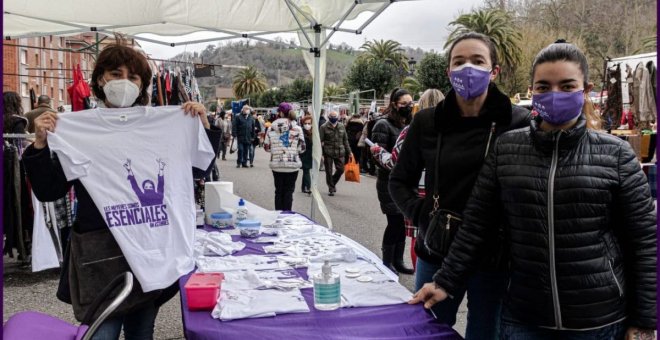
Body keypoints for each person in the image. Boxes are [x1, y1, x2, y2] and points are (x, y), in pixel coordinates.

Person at [410, 41, 657, 340]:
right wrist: (445, 282)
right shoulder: (507, 149)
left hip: (599, 320)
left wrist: (644, 319)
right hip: (524, 319)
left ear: (586, 88)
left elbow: (643, 243)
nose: (554, 94)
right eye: (543, 87)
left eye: (567, 86)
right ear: (532, 91)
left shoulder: (615, 155)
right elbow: (476, 225)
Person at [22, 42, 221, 340]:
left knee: (142, 331)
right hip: (102, 253)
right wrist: (39, 146)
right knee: (103, 333)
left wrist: (203, 128)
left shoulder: (167, 124)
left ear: (142, 85)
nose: (124, 82)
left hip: (152, 245)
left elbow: (196, 171)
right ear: (101, 80)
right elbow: (50, 191)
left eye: (133, 77)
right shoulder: (77, 128)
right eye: (116, 74)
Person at [389, 32, 531, 339]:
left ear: (495, 71)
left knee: (485, 332)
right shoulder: (427, 123)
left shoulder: (517, 122)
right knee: (429, 330)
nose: (468, 68)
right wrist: (423, 214)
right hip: (438, 249)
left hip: (494, 255)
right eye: (459, 61)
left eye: (478, 61)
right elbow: (399, 181)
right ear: (448, 72)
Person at [370, 88, 415, 275]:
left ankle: (398, 260)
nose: (409, 107)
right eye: (404, 103)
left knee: (402, 222)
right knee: (395, 222)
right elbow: (377, 155)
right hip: (389, 182)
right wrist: (396, 165)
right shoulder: (383, 125)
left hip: (405, 183)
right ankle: (386, 261)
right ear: (394, 104)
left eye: (411, 103)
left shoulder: (409, 124)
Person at [264, 109, 306, 211]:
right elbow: (302, 148)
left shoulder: (271, 128)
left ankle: (277, 214)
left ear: (280, 113)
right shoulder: (297, 129)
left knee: (278, 191)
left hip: (277, 165)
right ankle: (287, 215)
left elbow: (266, 147)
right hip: (292, 165)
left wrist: (276, 151)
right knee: (289, 191)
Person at [319, 111, 351, 196]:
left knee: (341, 169)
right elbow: (320, 141)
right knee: (328, 171)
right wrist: (320, 153)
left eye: (335, 116)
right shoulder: (323, 127)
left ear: (337, 117)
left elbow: (345, 140)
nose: (333, 117)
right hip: (328, 151)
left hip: (340, 151)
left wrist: (350, 152)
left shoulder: (341, 126)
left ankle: (332, 182)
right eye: (331, 116)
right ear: (329, 117)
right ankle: (331, 188)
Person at [300, 115, 314, 194]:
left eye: (309, 123)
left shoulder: (314, 131)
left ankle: (303, 187)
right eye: (305, 123)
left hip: (310, 154)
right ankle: (308, 187)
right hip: (303, 153)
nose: (307, 125)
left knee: (306, 170)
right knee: (306, 170)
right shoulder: (301, 131)